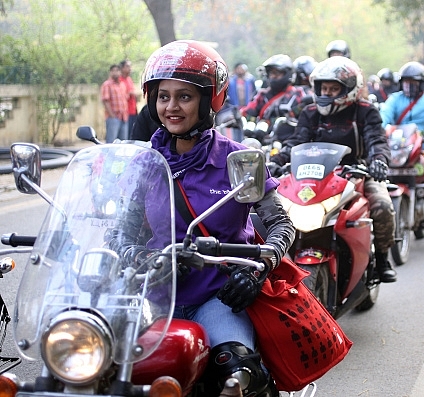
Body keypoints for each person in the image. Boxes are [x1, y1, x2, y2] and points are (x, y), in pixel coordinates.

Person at [109, 40, 295, 397]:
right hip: (154, 295)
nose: (171, 107)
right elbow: (121, 231)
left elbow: (281, 224)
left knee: (239, 373)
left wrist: (258, 268)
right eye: (163, 96)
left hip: (218, 295)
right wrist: (139, 256)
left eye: (184, 97)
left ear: (210, 101)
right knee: (97, 359)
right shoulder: (145, 164)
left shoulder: (240, 160)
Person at [268, 56, 397, 283]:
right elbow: (296, 143)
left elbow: (376, 140)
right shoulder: (310, 112)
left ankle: (382, 260)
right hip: (312, 176)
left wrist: (378, 161)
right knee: (274, 207)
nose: (326, 94)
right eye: (323, 88)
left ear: (349, 89)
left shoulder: (365, 111)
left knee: (383, 207)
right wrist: (276, 160)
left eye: (333, 89)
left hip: (357, 173)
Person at [379, 61, 424, 220]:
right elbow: (383, 117)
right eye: (406, 82)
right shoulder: (395, 99)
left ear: (422, 83)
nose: (409, 85)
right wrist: (378, 129)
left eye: (413, 82)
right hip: (397, 145)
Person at [241, 54, 307, 143]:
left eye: (277, 73)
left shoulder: (297, 94)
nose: (273, 76)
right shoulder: (262, 95)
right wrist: (237, 118)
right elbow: (248, 112)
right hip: (263, 142)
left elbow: (304, 115)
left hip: (290, 141)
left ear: (287, 74)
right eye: (271, 73)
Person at [101, 64, 129, 143]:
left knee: (123, 143)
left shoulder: (122, 85)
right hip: (113, 118)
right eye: (113, 71)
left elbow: (125, 99)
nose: (115, 73)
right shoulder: (107, 85)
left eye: (117, 70)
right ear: (110, 73)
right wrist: (112, 115)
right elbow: (105, 100)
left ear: (120, 72)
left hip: (124, 117)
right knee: (111, 142)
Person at [119, 59, 138, 134]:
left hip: (133, 111)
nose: (130, 68)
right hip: (125, 113)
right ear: (122, 68)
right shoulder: (119, 81)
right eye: (127, 66)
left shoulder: (129, 79)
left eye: (130, 66)